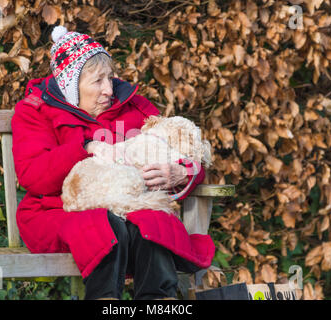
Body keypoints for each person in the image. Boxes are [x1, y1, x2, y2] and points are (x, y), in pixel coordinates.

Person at [11, 26, 215, 300]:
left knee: (153, 220)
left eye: (110, 78)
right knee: (104, 224)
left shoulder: (137, 108)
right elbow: (32, 175)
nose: (109, 89)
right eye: (97, 81)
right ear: (72, 87)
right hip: (58, 210)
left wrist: (181, 172)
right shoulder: (35, 111)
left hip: (134, 204)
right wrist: (84, 148)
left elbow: (184, 152)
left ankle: (159, 301)